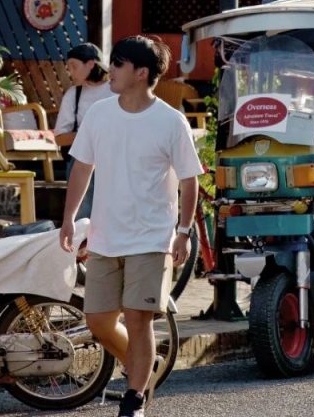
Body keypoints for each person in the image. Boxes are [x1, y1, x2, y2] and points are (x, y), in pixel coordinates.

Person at [59, 36, 202, 417]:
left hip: (152, 238)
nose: (111, 71)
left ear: (141, 73)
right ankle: (144, 367)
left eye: (118, 64)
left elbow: (190, 180)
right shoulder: (99, 114)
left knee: (138, 320)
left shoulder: (170, 121)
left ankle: (134, 398)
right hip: (105, 236)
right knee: (98, 321)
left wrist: (184, 231)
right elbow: (82, 168)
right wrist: (68, 218)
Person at [54, 43, 113, 218]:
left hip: (113, 155)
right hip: (82, 155)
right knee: (83, 214)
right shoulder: (74, 94)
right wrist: (89, 134)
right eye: (69, 67)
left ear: (91, 64)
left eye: (74, 66)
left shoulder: (115, 91)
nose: (71, 72)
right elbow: (60, 138)